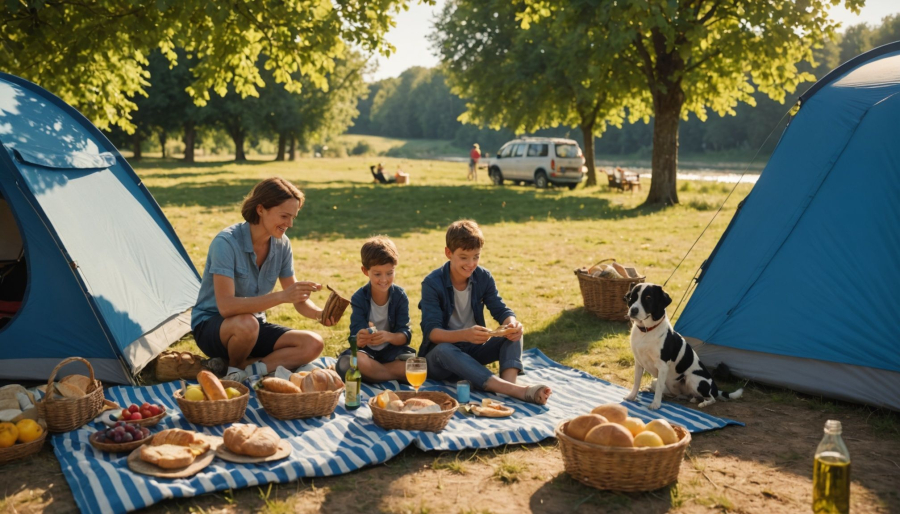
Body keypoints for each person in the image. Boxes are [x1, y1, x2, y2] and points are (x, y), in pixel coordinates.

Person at [192, 177, 333, 381]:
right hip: (213, 327)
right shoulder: (226, 243)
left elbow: (296, 298)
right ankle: (237, 366)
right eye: (284, 216)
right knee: (247, 324)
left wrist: (320, 314)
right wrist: (282, 296)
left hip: (253, 327)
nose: (290, 224)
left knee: (313, 343)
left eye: (293, 217)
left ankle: (244, 370)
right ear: (261, 209)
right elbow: (226, 307)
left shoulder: (282, 245)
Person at [418, 220, 551, 404]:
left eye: (476, 257)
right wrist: (465, 335)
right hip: (440, 359)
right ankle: (516, 390)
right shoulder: (432, 283)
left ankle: (508, 388)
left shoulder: (483, 277)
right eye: (464, 257)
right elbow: (432, 333)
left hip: (472, 351)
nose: (471, 264)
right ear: (448, 253)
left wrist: (511, 322)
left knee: (513, 332)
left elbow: (500, 309)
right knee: (444, 349)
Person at [335, 236, 415, 382]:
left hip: (392, 353)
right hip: (367, 354)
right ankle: (386, 375)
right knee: (349, 361)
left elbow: (405, 335)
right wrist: (361, 338)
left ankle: (374, 374)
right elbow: (355, 337)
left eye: (389, 273)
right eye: (378, 274)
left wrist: (388, 336)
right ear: (365, 271)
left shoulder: (400, 296)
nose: (384, 279)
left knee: (414, 365)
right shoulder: (359, 298)